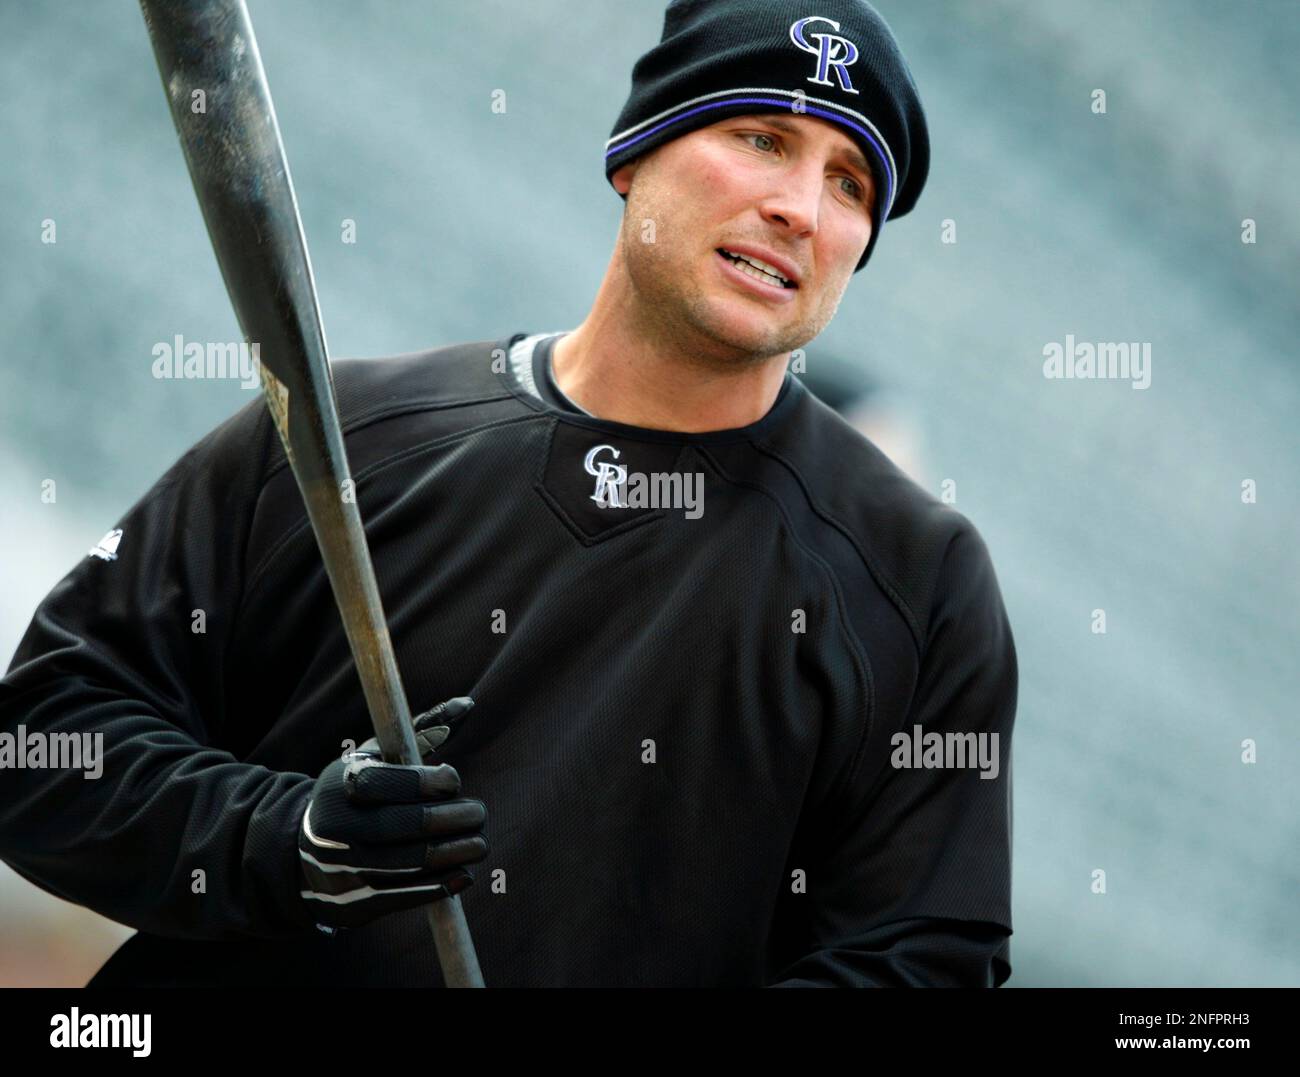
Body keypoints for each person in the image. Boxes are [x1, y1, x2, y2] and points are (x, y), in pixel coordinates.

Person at [0, 0, 1017, 987]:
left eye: (850, 183)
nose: (802, 207)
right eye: (760, 138)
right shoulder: (341, 434)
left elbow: (919, 957)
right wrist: (289, 840)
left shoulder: (917, 581)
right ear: (634, 155)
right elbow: (45, 743)